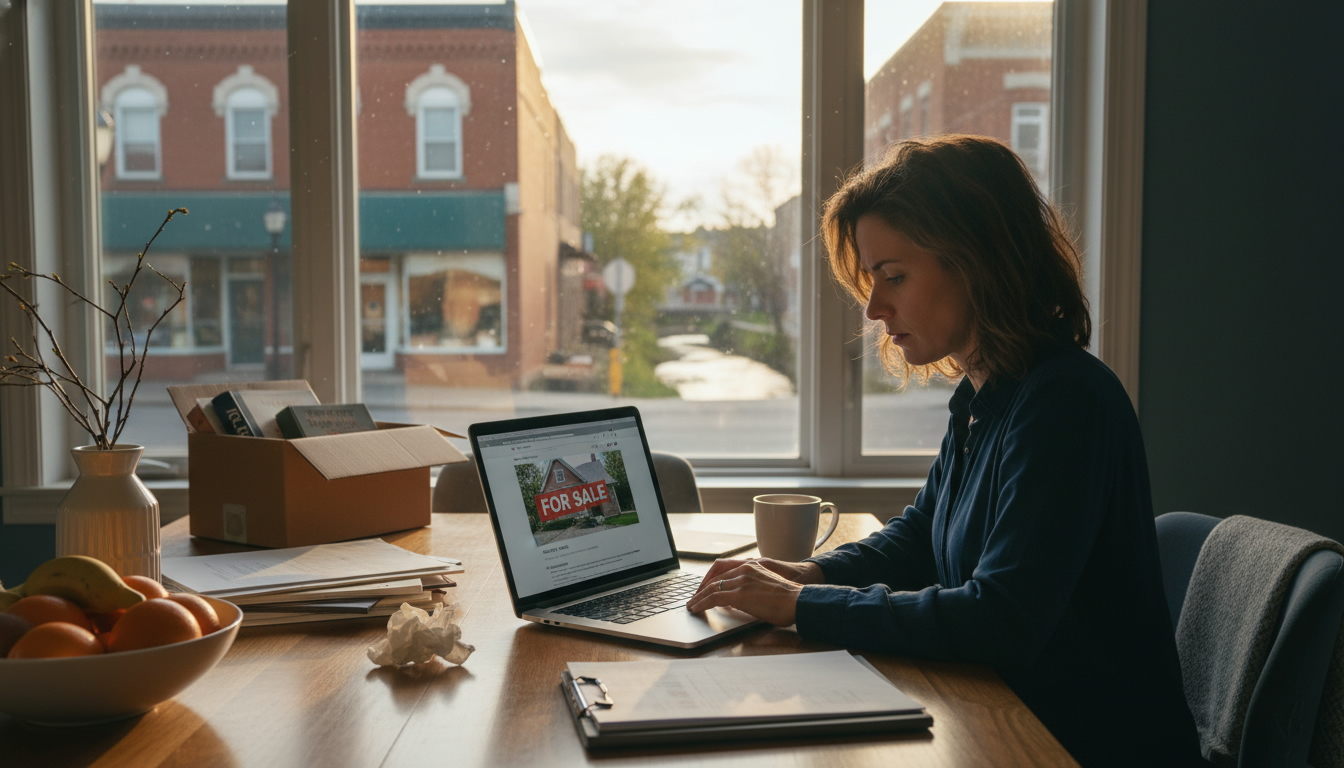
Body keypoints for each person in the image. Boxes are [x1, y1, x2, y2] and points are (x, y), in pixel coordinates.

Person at [687, 135, 1199, 767]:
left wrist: (804, 606)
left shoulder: (1065, 402)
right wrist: (811, 576)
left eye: (894, 277)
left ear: (977, 262)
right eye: (873, 282)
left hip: (1076, 749)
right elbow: (922, 535)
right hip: (1010, 721)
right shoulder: (986, 394)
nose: (874, 308)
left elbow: (1002, 620)